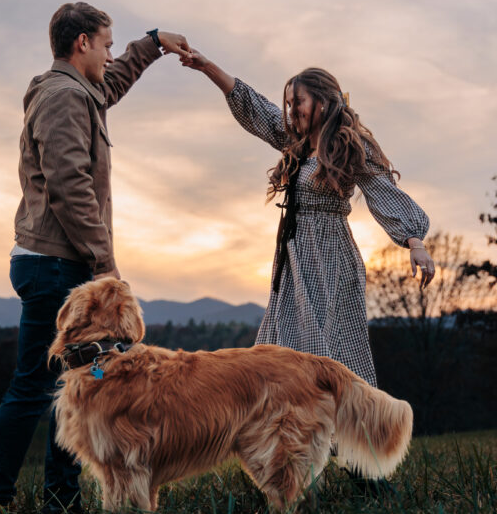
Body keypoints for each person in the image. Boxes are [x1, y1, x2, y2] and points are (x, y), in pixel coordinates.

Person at [0, 2, 191, 514]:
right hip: (57, 262)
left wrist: (155, 42)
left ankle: (60, 500)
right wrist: (104, 264)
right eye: (107, 44)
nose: (111, 53)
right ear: (82, 44)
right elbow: (69, 186)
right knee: (35, 383)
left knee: (73, 385)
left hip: (57, 258)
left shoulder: (79, 92)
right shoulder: (62, 99)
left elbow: (112, 82)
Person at [181, 52, 435, 388]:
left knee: (328, 354)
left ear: (324, 102)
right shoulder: (295, 143)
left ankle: (340, 434)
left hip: (330, 259)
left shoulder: (349, 145)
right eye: (288, 103)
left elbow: (382, 190)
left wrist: (414, 241)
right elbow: (255, 107)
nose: (291, 111)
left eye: (297, 102)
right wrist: (206, 67)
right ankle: (289, 431)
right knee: (279, 351)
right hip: (294, 260)